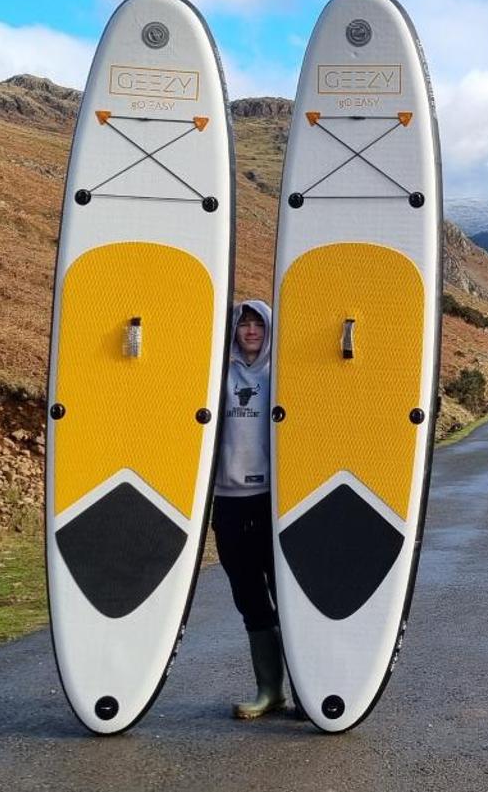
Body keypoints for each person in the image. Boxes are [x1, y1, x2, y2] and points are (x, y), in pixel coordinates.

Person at [212, 300, 294, 719]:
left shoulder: (279, 376)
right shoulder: (217, 376)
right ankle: (269, 691)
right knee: (249, 598)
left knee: (289, 597)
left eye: (257, 325)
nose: (249, 331)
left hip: (270, 504)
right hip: (226, 503)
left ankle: (306, 691)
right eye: (243, 324)